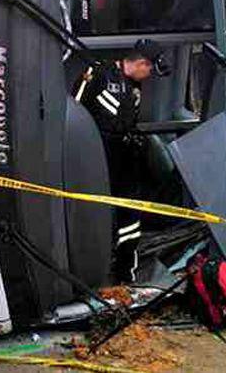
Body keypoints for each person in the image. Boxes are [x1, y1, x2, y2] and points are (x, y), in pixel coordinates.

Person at [74, 39, 167, 282]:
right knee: (92, 211)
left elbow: (128, 120)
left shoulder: (135, 86)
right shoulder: (98, 74)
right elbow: (73, 110)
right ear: (141, 63)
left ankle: (124, 270)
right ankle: (90, 268)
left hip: (123, 156)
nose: (148, 76)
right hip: (92, 153)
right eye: (149, 69)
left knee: (130, 212)